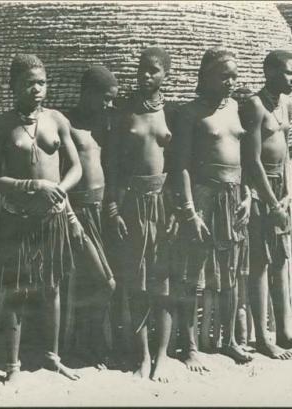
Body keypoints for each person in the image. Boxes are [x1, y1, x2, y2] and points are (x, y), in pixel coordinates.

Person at [0, 54, 82, 383]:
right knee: (15, 290)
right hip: (17, 219)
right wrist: (32, 185)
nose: (37, 89)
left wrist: (59, 190)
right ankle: (13, 366)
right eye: (29, 83)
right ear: (13, 86)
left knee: (51, 287)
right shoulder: (3, 125)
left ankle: (52, 357)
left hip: (51, 220)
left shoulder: (57, 119)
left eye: (41, 82)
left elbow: (76, 167)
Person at [172, 47, 253, 370]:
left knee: (231, 275)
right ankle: (190, 346)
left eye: (234, 75)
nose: (231, 82)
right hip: (204, 198)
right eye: (224, 76)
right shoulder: (190, 114)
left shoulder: (236, 108)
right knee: (194, 276)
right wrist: (191, 211)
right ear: (204, 77)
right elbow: (181, 166)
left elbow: (244, 158)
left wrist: (247, 195)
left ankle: (230, 340)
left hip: (234, 200)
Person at [240, 50, 292, 360]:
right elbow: (252, 160)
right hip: (261, 194)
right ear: (269, 72)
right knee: (260, 264)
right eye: (288, 73)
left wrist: (286, 194)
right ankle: (261, 337)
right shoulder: (255, 106)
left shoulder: (286, 103)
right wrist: (271, 203)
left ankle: (283, 331)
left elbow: (285, 151)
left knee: (282, 260)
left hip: (282, 192)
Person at [105, 47, 174, 382]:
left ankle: (162, 356)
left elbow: (179, 165)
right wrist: (114, 208)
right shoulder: (124, 113)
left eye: (154, 70)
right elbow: (114, 166)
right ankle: (142, 356)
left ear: (166, 75)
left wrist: (178, 208)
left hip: (164, 204)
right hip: (133, 204)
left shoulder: (172, 114)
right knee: (136, 283)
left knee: (162, 283)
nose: (146, 76)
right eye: (142, 70)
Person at [63, 66, 118, 368]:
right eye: (106, 98)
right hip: (79, 212)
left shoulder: (106, 125)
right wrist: (70, 215)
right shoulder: (67, 125)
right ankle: (83, 343)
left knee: (95, 281)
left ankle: (91, 343)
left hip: (102, 212)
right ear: (89, 93)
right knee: (101, 281)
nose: (110, 105)